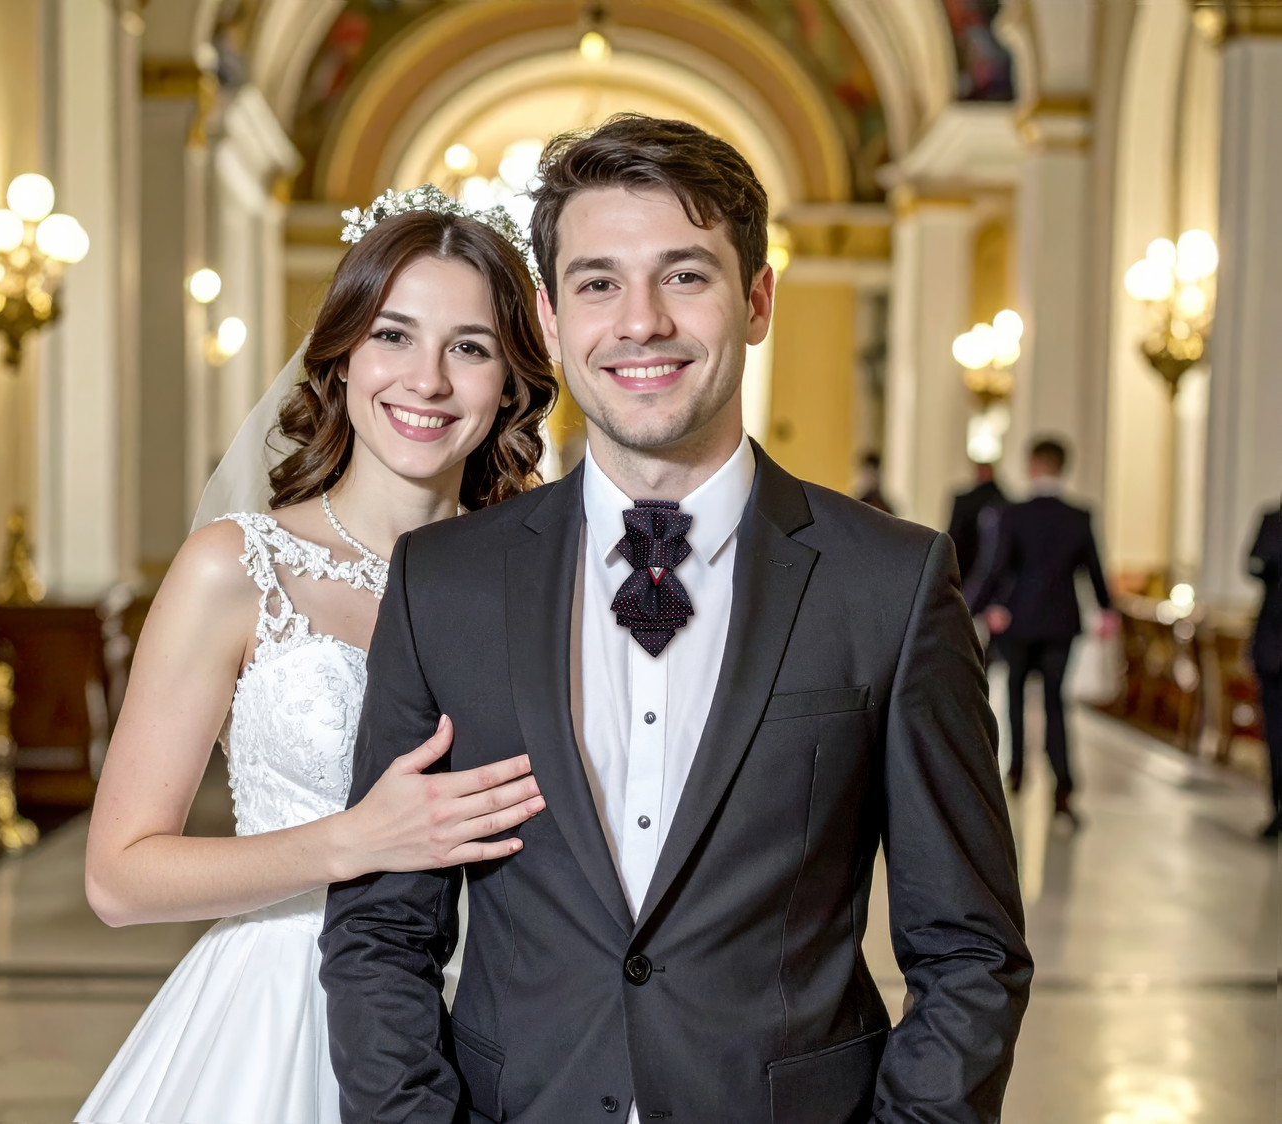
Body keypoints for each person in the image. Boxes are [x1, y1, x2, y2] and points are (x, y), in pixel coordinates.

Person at [321, 115, 1030, 1124]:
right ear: (551, 319)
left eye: (684, 276)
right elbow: (380, 932)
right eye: (597, 281)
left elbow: (968, 947)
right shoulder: (446, 581)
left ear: (755, 300)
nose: (639, 321)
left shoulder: (891, 581)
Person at [77, 190, 558, 1124]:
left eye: (468, 346)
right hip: (283, 1011)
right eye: (393, 335)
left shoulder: (537, 583)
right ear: (338, 359)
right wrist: (354, 843)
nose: (425, 379)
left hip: (503, 1019)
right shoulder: (236, 567)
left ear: (510, 380)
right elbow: (117, 877)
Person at [969, 436, 1116, 823]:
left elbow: (997, 568)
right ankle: (1063, 787)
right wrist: (1106, 610)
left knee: (1016, 695)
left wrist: (973, 608)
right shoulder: (1079, 515)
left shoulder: (1014, 513)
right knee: (1055, 702)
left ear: (1033, 466)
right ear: (1063, 467)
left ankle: (1017, 772)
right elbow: (1094, 571)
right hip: (1061, 622)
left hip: (1018, 620)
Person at [1249, 497, 1282, 838]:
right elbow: (1252, 564)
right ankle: (1277, 807)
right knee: (1275, 731)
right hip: (1274, 645)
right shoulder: (1273, 520)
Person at [947, 459, 1010, 595]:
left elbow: (954, 539)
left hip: (966, 573)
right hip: (996, 581)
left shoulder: (965, 501)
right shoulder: (1006, 502)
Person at [854, 448, 894, 513]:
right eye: (867, 474)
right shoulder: (856, 504)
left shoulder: (883, 506)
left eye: (873, 475)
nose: (870, 478)